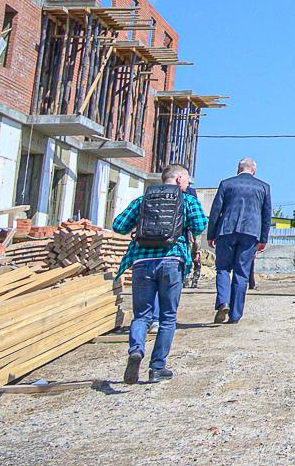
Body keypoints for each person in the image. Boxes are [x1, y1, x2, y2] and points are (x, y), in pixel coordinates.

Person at [109, 164, 207, 384]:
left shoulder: (142, 200)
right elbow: (200, 225)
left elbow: (118, 226)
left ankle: (136, 351)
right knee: (168, 317)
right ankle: (157, 368)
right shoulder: (187, 201)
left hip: (142, 261)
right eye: (187, 181)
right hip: (173, 260)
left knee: (142, 315)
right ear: (180, 179)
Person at [207, 156, 272, 325]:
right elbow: (266, 215)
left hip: (226, 231)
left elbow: (215, 211)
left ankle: (223, 302)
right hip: (251, 233)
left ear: (238, 168)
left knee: (222, 269)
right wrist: (263, 238)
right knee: (241, 273)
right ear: (254, 170)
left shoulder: (226, 184)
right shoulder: (264, 187)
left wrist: (211, 234)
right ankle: (235, 315)